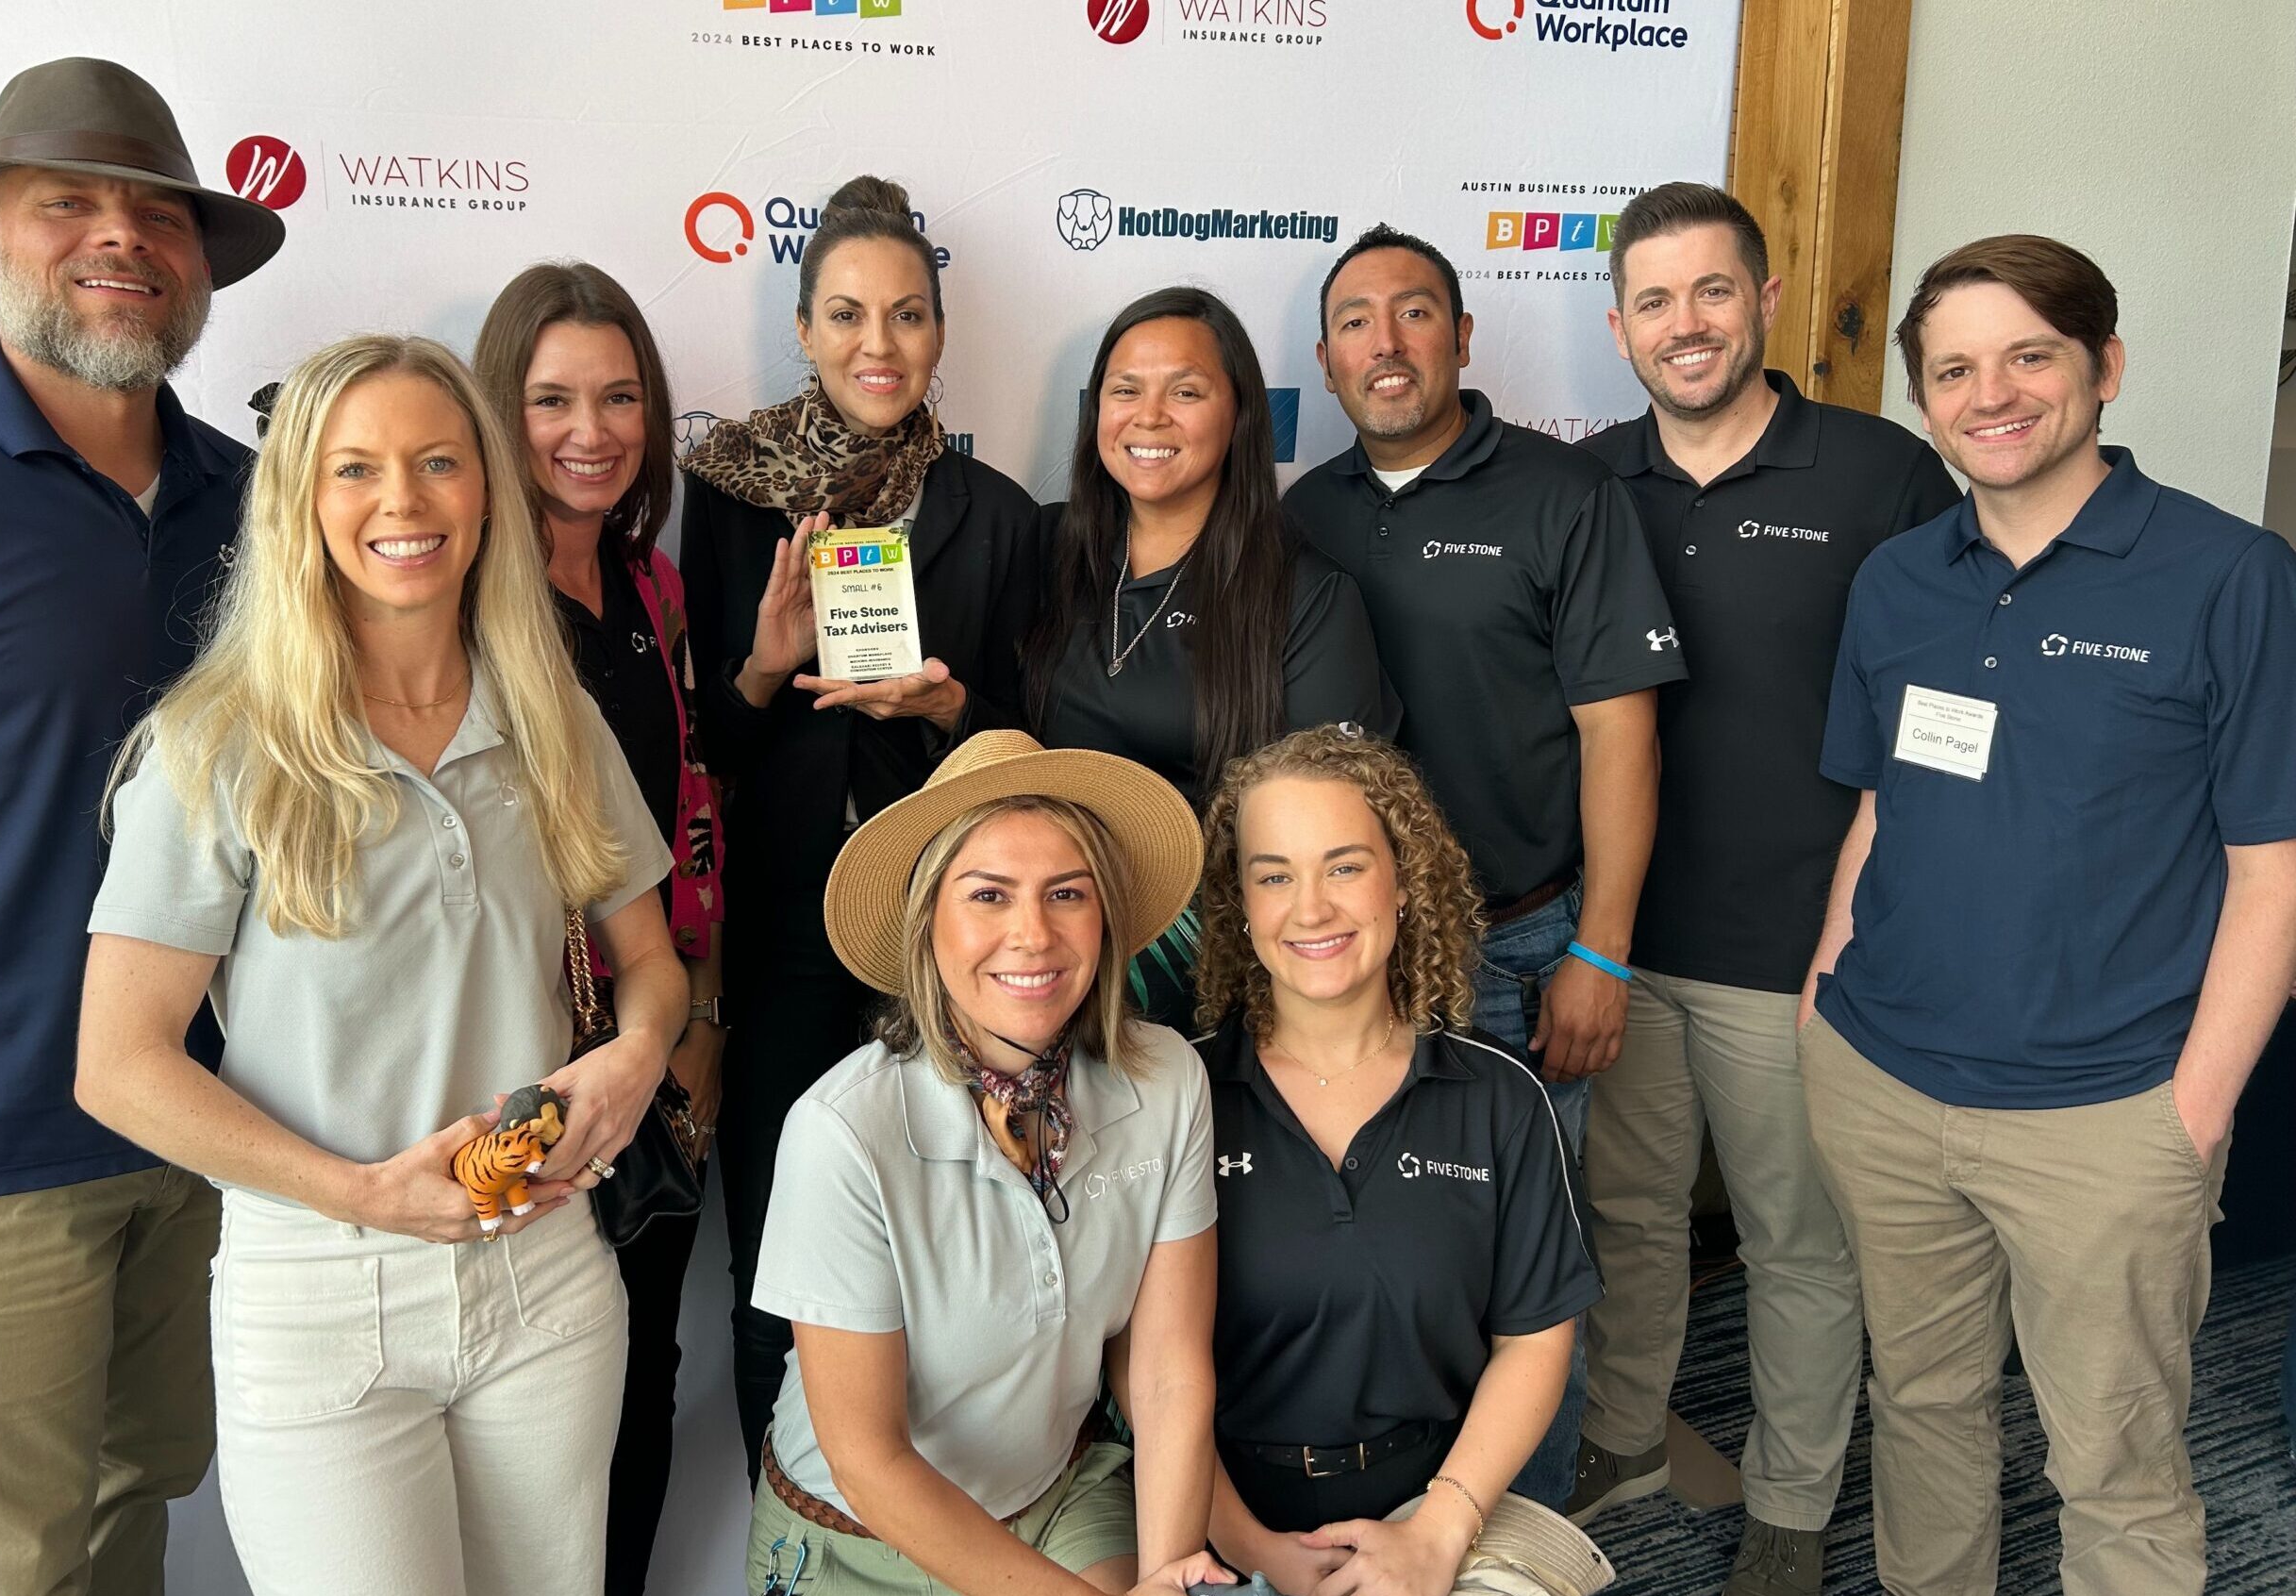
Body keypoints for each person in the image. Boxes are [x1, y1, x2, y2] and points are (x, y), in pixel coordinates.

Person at [75, 334, 690, 1596]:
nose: (401, 500)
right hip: (319, 1289)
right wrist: (361, 1193)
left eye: (437, 462)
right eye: (354, 468)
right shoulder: (215, 747)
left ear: (487, 489)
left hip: (545, 1275)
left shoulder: (551, 713)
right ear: (299, 501)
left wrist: (636, 1057)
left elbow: (651, 960)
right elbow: (118, 1067)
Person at [1801, 235, 2296, 1596]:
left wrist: (2193, 1112)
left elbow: (2274, 871)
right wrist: (1826, 990)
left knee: (2115, 1462)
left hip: (2109, 1115)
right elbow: (1881, 804)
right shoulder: (1899, 580)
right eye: (1954, 369)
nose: (1993, 395)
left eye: (2030, 355)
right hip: (1884, 1080)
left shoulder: (2230, 576)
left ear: (2104, 367)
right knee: (1921, 1405)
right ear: (1923, 399)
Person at [0, 57, 283, 1596]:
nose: (124, 237)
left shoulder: (260, 504)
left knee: (137, 1516)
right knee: (9, 1575)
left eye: (158, 216)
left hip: (209, 1126)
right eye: (71, 205)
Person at [1569, 184, 1961, 1596]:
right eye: (1655, 301)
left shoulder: (1879, 475)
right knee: (1629, 1217)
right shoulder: (1589, 482)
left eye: (1712, 291)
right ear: (1619, 327)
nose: (1685, 325)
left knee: (1799, 1243)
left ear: (1768, 300)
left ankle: (1791, 1507)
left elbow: (1941, 714)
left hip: (1797, 951)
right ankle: (1620, 1435)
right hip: (1617, 941)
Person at [1283, 223, 1684, 1509]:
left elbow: (1620, 735)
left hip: (1520, 952)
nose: (1385, 343)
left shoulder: (1565, 497)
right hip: (1343, 963)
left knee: (1526, 1274)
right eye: (1355, 322)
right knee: (1378, 1259)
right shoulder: (1302, 515)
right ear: (1326, 359)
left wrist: (1600, 949)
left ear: (1460, 338)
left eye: (1413, 314)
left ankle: (1524, 1548)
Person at [679, 175, 1043, 1471]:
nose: (877, 345)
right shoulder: (730, 497)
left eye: (906, 315)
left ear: (939, 332)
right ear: (803, 327)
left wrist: (949, 709)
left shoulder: (998, 515)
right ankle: (790, 1528)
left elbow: (1032, 748)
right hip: (780, 935)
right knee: (776, 1266)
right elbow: (700, 754)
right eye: (846, 315)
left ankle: (937, 1530)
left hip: (941, 936)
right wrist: (764, 668)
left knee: (952, 1260)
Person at [745, 728, 1227, 1596]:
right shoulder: (841, 1131)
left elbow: (1166, 1371)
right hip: (860, 1545)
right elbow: (870, 1461)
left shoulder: (1167, 1080)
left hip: (1059, 1503)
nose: (1032, 935)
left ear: (1106, 917)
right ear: (929, 920)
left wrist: (1164, 1586)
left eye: (1066, 893)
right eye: (989, 895)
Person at [1191, 725, 1613, 1596]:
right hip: (1216, 1523)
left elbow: (1536, 1338)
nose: (1312, 909)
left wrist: (1437, 1533)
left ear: (1405, 879)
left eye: (1344, 867)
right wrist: (1253, 1548)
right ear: (1239, 903)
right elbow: (1141, 1365)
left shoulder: (1500, 1098)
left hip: (1441, 1511)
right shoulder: (1178, 1099)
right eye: (1274, 876)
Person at [474, 259, 725, 1596]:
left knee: (639, 1378)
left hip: (653, 1052)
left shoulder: (652, 583)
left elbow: (686, 813)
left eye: (620, 397)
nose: (592, 430)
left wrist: (695, 1021)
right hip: (513, 1068)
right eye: (553, 399)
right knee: (525, 1395)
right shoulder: (468, 596)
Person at [1024, 285, 1393, 1027]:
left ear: (1240, 415)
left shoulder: (1305, 595)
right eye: (1125, 390)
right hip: (1040, 956)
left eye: (1186, 391)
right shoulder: (1045, 550)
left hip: (1210, 980)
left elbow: (1328, 833)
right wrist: (950, 710)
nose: (1149, 416)